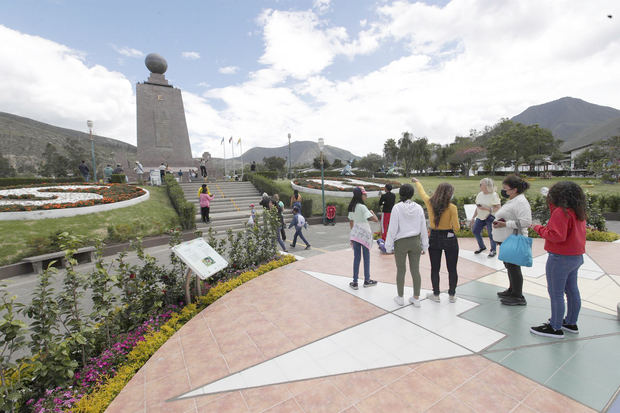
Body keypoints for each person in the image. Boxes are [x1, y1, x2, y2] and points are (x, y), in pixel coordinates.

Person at [529, 182, 586, 338]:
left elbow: (556, 236)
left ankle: (555, 327)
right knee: (572, 291)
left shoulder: (561, 212)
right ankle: (571, 322)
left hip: (560, 258)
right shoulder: (577, 211)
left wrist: (538, 228)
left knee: (556, 293)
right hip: (576, 256)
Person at [412, 178, 460, 303]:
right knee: (452, 268)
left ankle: (436, 294)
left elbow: (422, 193)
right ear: (449, 194)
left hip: (434, 237)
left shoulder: (429, 202)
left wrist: (417, 182)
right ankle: (452, 295)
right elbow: (457, 228)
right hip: (449, 238)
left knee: (435, 268)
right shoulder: (452, 207)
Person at [385, 183, 428, 307]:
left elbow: (392, 229)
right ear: (412, 194)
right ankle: (416, 298)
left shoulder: (397, 208)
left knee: (401, 270)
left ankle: (400, 297)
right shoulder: (419, 208)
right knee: (415, 270)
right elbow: (423, 228)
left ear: (401, 193)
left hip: (401, 243)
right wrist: (425, 245)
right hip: (415, 242)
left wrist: (388, 246)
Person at [492, 174, 532, 306]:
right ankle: (512, 289)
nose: (504, 191)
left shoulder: (521, 202)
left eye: (506, 189)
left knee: (514, 267)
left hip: (515, 238)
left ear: (514, 189)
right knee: (509, 266)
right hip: (507, 239)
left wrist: (505, 224)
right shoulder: (514, 200)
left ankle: (518, 296)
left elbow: (526, 222)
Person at [347, 187, 379, 290]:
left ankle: (355, 282)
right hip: (365, 234)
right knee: (366, 258)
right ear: (360, 195)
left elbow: (351, 222)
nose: (365, 195)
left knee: (357, 258)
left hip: (356, 234)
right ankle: (367, 280)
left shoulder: (352, 207)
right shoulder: (362, 207)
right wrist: (372, 212)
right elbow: (375, 219)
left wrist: (353, 233)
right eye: (363, 194)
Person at [470, 178, 501, 257]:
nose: (480, 185)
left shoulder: (494, 195)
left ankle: (493, 250)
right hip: (480, 217)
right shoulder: (480, 194)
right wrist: (473, 217)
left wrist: (487, 208)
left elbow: (498, 207)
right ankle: (482, 247)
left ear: (487, 186)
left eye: (481, 184)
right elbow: (478, 207)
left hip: (490, 217)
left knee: (491, 234)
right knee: (475, 231)